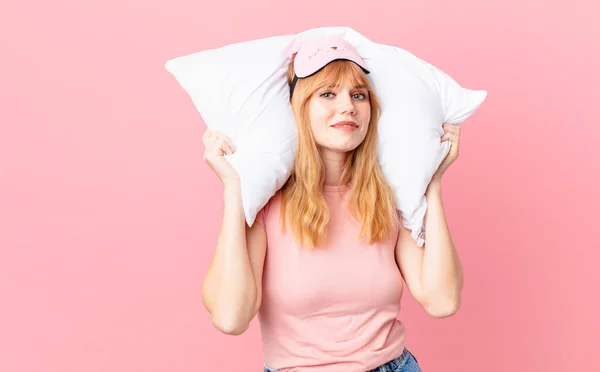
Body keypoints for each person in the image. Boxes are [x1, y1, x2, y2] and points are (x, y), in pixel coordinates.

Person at [200, 36, 464, 372]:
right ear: (299, 107)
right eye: (327, 94)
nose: (348, 107)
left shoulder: (387, 198)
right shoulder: (265, 205)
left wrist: (432, 184)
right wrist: (233, 189)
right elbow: (230, 317)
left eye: (358, 95)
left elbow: (442, 300)